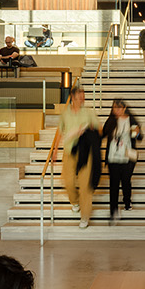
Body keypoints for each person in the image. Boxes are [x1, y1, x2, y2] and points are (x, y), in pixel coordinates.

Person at [47, 86, 102, 229]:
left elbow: (99, 129)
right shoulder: (66, 113)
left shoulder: (89, 112)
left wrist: (89, 129)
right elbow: (60, 131)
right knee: (68, 181)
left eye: (83, 97)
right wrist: (55, 150)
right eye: (79, 98)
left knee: (85, 185)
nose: (82, 100)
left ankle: (85, 216)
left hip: (85, 152)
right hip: (69, 150)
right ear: (72, 98)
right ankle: (75, 201)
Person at [101, 99, 143, 224]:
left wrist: (137, 133)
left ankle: (127, 201)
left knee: (125, 180)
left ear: (124, 108)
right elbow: (102, 134)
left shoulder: (131, 120)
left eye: (119, 108)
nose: (116, 110)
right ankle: (113, 211)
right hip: (113, 157)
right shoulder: (111, 121)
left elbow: (140, 137)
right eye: (114, 108)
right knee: (113, 185)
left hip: (127, 157)